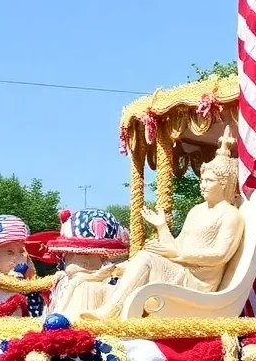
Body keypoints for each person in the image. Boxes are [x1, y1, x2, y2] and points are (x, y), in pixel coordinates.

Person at [82, 127, 244, 320]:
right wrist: (161, 227)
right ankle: (116, 275)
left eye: (209, 181)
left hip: (197, 282)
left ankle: (113, 310)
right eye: (202, 180)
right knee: (147, 254)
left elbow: (220, 255)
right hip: (181, 268)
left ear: (224, 184)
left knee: (146, 258)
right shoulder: (196, 211)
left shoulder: (230, 215)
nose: (203, 185)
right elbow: (177, 245)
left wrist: (178, 255)